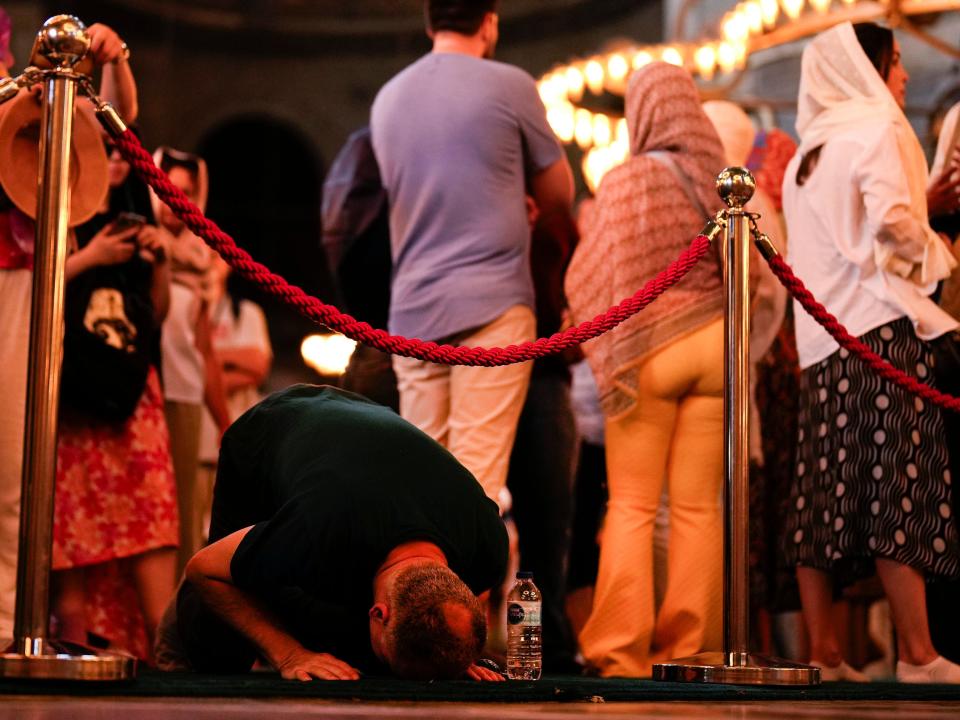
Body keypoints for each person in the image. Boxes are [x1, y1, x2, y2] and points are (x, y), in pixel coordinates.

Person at [780, 21, 960, 683]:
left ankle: (823, 653)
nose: (905, 75)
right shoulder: (878, 130)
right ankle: (916, 653)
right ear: (867, 65)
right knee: (898, 490)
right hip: (882, 331)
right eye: (897, 60)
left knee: (823, 495)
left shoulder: (807, 155)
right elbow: (892, 222)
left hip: (821, 343)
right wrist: (933, 252)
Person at [154, 385, 507, 682]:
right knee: (221, 651)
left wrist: (458, 658)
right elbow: (203, 568)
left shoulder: (486, 539)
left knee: (356, 659)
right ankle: (183, 625)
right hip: (269, 431)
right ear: (377, 613)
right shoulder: (315, 529)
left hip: (355, 428)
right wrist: (289, 655)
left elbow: (479, 594)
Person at [369, 0, 574, 508]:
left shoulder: (387, 99)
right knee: (473, 485)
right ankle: (457, 590)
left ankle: (414, 588)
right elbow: (560, 196)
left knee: (419, 482)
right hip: (493, 304)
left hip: (412, 312)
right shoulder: (510, 85)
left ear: (429, 23)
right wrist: (518, 196)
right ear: (490, 22)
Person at [565, 62, 727, 677]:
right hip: (713, 346)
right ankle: (688, 653)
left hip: (647, 352)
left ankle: (620, 653)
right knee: (696, 509)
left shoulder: (625, 181)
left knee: (631, 504)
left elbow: (588, 273)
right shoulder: (721, 181)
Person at [0, 13, 138, 640]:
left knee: (15, 471)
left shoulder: (30, 89)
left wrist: (113, 58)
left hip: (21, 279)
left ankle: (6, 625)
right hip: (19, 280)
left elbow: (111, 132)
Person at [51, 130, 177, 660]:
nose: (117, 165)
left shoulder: (133, 221)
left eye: (125, 155)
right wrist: (92, 255)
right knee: (73, 543)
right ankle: (73, 663)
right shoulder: (58, 213)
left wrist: (159, 261)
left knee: (153, 525)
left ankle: (170, 662)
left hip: (133, 397)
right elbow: (30, 290)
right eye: (107, 151)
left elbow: (156, 319)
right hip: (75, 400)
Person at [151, 147, 231, 575]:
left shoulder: (202, 264)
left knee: (180, 514)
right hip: (139, 388)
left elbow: (204, 351)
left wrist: (224, 421)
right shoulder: (140, 243)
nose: (175, 201)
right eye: (168, 190)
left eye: (186, 193)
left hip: (181, 392)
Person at [195, 255, 272, 548]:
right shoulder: (186, 306)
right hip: (195, 446)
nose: (209, 263)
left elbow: (257, 366)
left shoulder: (246, 312)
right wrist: (226, 365)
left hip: (232, 448)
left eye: (214, 255)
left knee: (229, 540)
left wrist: (207, 361)